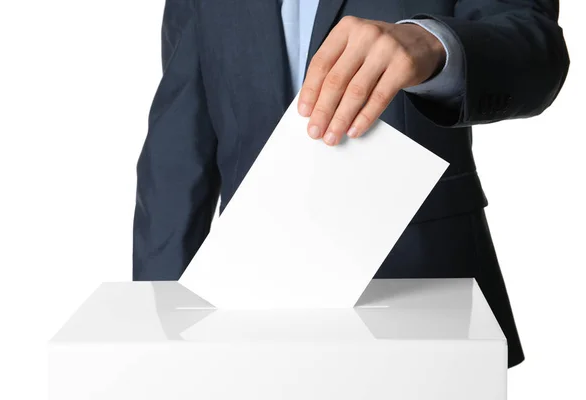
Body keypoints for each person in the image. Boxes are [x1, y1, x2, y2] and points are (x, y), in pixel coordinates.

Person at [132, 0, 570, 368]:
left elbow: (536, 46)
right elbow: (177, 149)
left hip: (424, 295)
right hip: (249, 301)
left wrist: (435, 44)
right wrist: (157, 335)